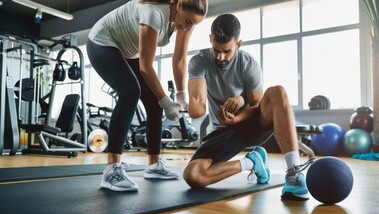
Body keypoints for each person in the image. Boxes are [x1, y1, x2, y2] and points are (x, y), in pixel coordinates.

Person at [183, 13, 312, 200]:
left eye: (226, 51)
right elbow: (197, 105)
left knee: (277, 92)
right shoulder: (199, 62)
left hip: (251, 125)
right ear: (210, 39)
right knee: (193, 176)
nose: (220, 57)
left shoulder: (247, 63)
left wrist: (240, 108)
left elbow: (257, 105)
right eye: (216, 50)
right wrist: (189, 101)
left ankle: (294, 173)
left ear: (238, 44)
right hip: (222, 132)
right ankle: (252, 162)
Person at [86, 0, 208, 192]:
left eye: (194, 24)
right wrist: (167, 102)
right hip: (103, 41)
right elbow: (146, 65)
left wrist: (181, 94)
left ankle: (153, 165)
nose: (188, 26)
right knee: (130, 91)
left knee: (154, 104)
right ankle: (111, 170)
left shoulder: (184, 19)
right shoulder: (154, 12)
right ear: (180, 5)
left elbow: (180, 59)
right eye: (188, 21)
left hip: (128, 52)